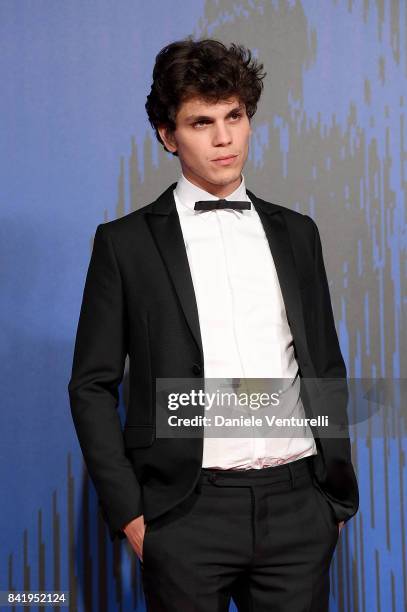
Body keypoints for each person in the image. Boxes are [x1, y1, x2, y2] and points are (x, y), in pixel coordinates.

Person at [68, 37, 359, 611]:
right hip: (187, 512)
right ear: (168, 135)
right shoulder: (125, 244)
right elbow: (91, 386)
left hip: (299, 506)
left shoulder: (298, 233)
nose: (224, 138)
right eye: (202, 122)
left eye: (235, 116)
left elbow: (323, 364)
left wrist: (333, 499)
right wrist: (129, 512)